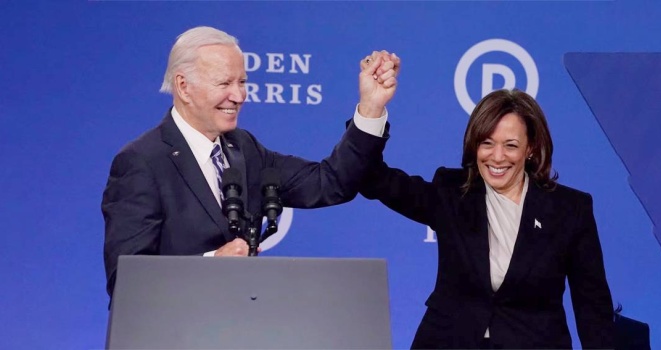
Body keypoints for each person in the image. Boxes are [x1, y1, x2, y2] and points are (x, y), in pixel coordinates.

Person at [101, 26, 400, 299]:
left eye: (242, 81)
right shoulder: (142, 162)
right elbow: (127, 283)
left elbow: (330, 183)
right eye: (224, 83)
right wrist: (209, 266)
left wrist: (371, 108)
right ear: (183, 87)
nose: (239, 95)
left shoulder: (244, 148)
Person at [360, 89, 614, 349]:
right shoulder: (451, 192)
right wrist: (372, 107)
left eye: (511, 145)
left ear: (531, 148)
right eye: (487, 143)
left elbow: (592, 306)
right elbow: (370, 177)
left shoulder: (570, 209)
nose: (497, 157)